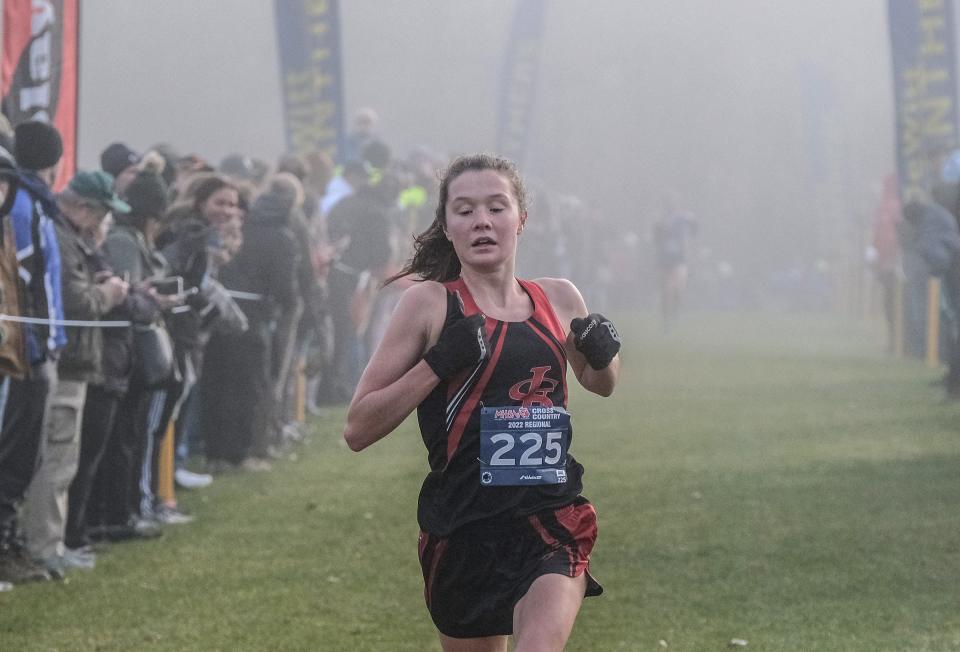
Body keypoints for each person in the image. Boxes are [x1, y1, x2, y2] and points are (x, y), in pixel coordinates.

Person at [342, 154, 621, 650]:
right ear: (447, 226)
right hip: (463, 527)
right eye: (464, 210)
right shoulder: (428, 304)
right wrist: (437, 364)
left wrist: (604, 352)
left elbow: (601, 382)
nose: (482, 221)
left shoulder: (558, 298)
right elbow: (358, 428)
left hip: (550, 516)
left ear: (521, 219)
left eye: (496, 207)